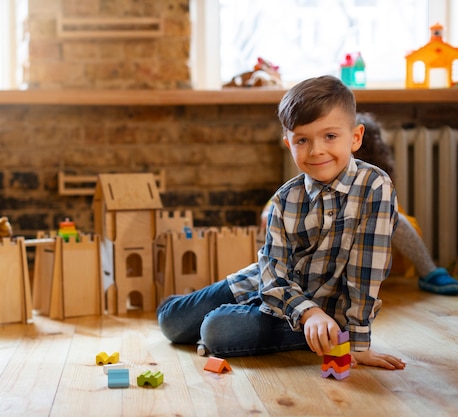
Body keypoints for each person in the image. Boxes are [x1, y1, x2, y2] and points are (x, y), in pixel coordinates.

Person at [158, 75, 406, 371]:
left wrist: (357, 341)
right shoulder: (284, 200)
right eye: (303, 140)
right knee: (170, 322)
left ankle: (305, 330)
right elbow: (272, 275)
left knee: (217, 330)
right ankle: (203, 305)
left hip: (327, 312)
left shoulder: (375, 187)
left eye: (330, 136)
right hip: (271, 288)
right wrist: (306, 312)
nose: (316, 150)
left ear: (355, 137)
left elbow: (366, 271)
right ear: (288, 143)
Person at [260, 113, 458, 295]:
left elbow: (393, 223)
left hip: (367, 255)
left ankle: (430, 272)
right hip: (322, 264)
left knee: (397, 220)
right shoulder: (313, 176)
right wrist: (271, 210)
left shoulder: (373, 182)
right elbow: (288, 196)